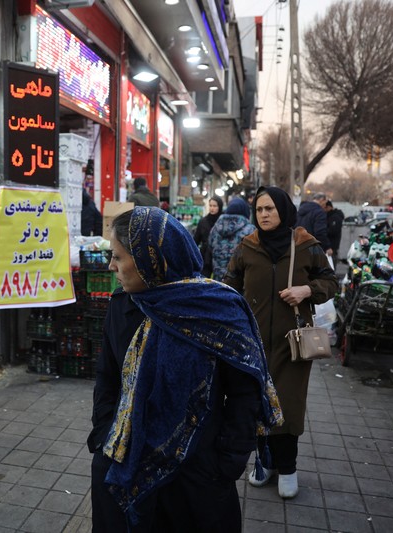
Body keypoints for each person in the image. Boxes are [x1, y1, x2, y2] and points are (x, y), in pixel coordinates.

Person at [89, 207, 282, 531]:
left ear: (150, 260)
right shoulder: (123, 305)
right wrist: (104, 433)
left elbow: (244, 394)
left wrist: (227, 464)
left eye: (118, 257)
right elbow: (107, 377)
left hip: (195, 477)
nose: (111, 266)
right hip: (124, 466)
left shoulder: (216, 309)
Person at [222, 186, 337, 499]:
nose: (264, 215)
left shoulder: (306, 245)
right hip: (253, 343)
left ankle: (288, 468)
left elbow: (330, 282)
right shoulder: (246, 247)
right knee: (256, 404)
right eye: (259, 210)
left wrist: (307, 291)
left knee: (287, 405)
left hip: (292, 344)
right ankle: (264, 462)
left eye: (270, 209)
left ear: (283, 210)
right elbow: (229, 287)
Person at [207, 198, 256, 280]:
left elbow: (210, 248)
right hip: (240, 280)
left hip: (219, 278)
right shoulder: (250, 230)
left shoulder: (215, 228)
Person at [192, 196, 223, 277]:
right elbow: (195, 240)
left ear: (220, 207)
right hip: (205, 256)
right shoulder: (203, 222)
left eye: (215, 206)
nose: (212, 208)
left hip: (220, 257)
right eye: (210, 205)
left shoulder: (223, 222)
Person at [324, 199, 345, 269]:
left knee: (331, 266)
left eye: (324, 207)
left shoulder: (335, 217)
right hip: (331, 246)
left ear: (329, 207)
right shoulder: (330, 216)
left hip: (332, 246)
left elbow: (333, 231)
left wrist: (323, 231)